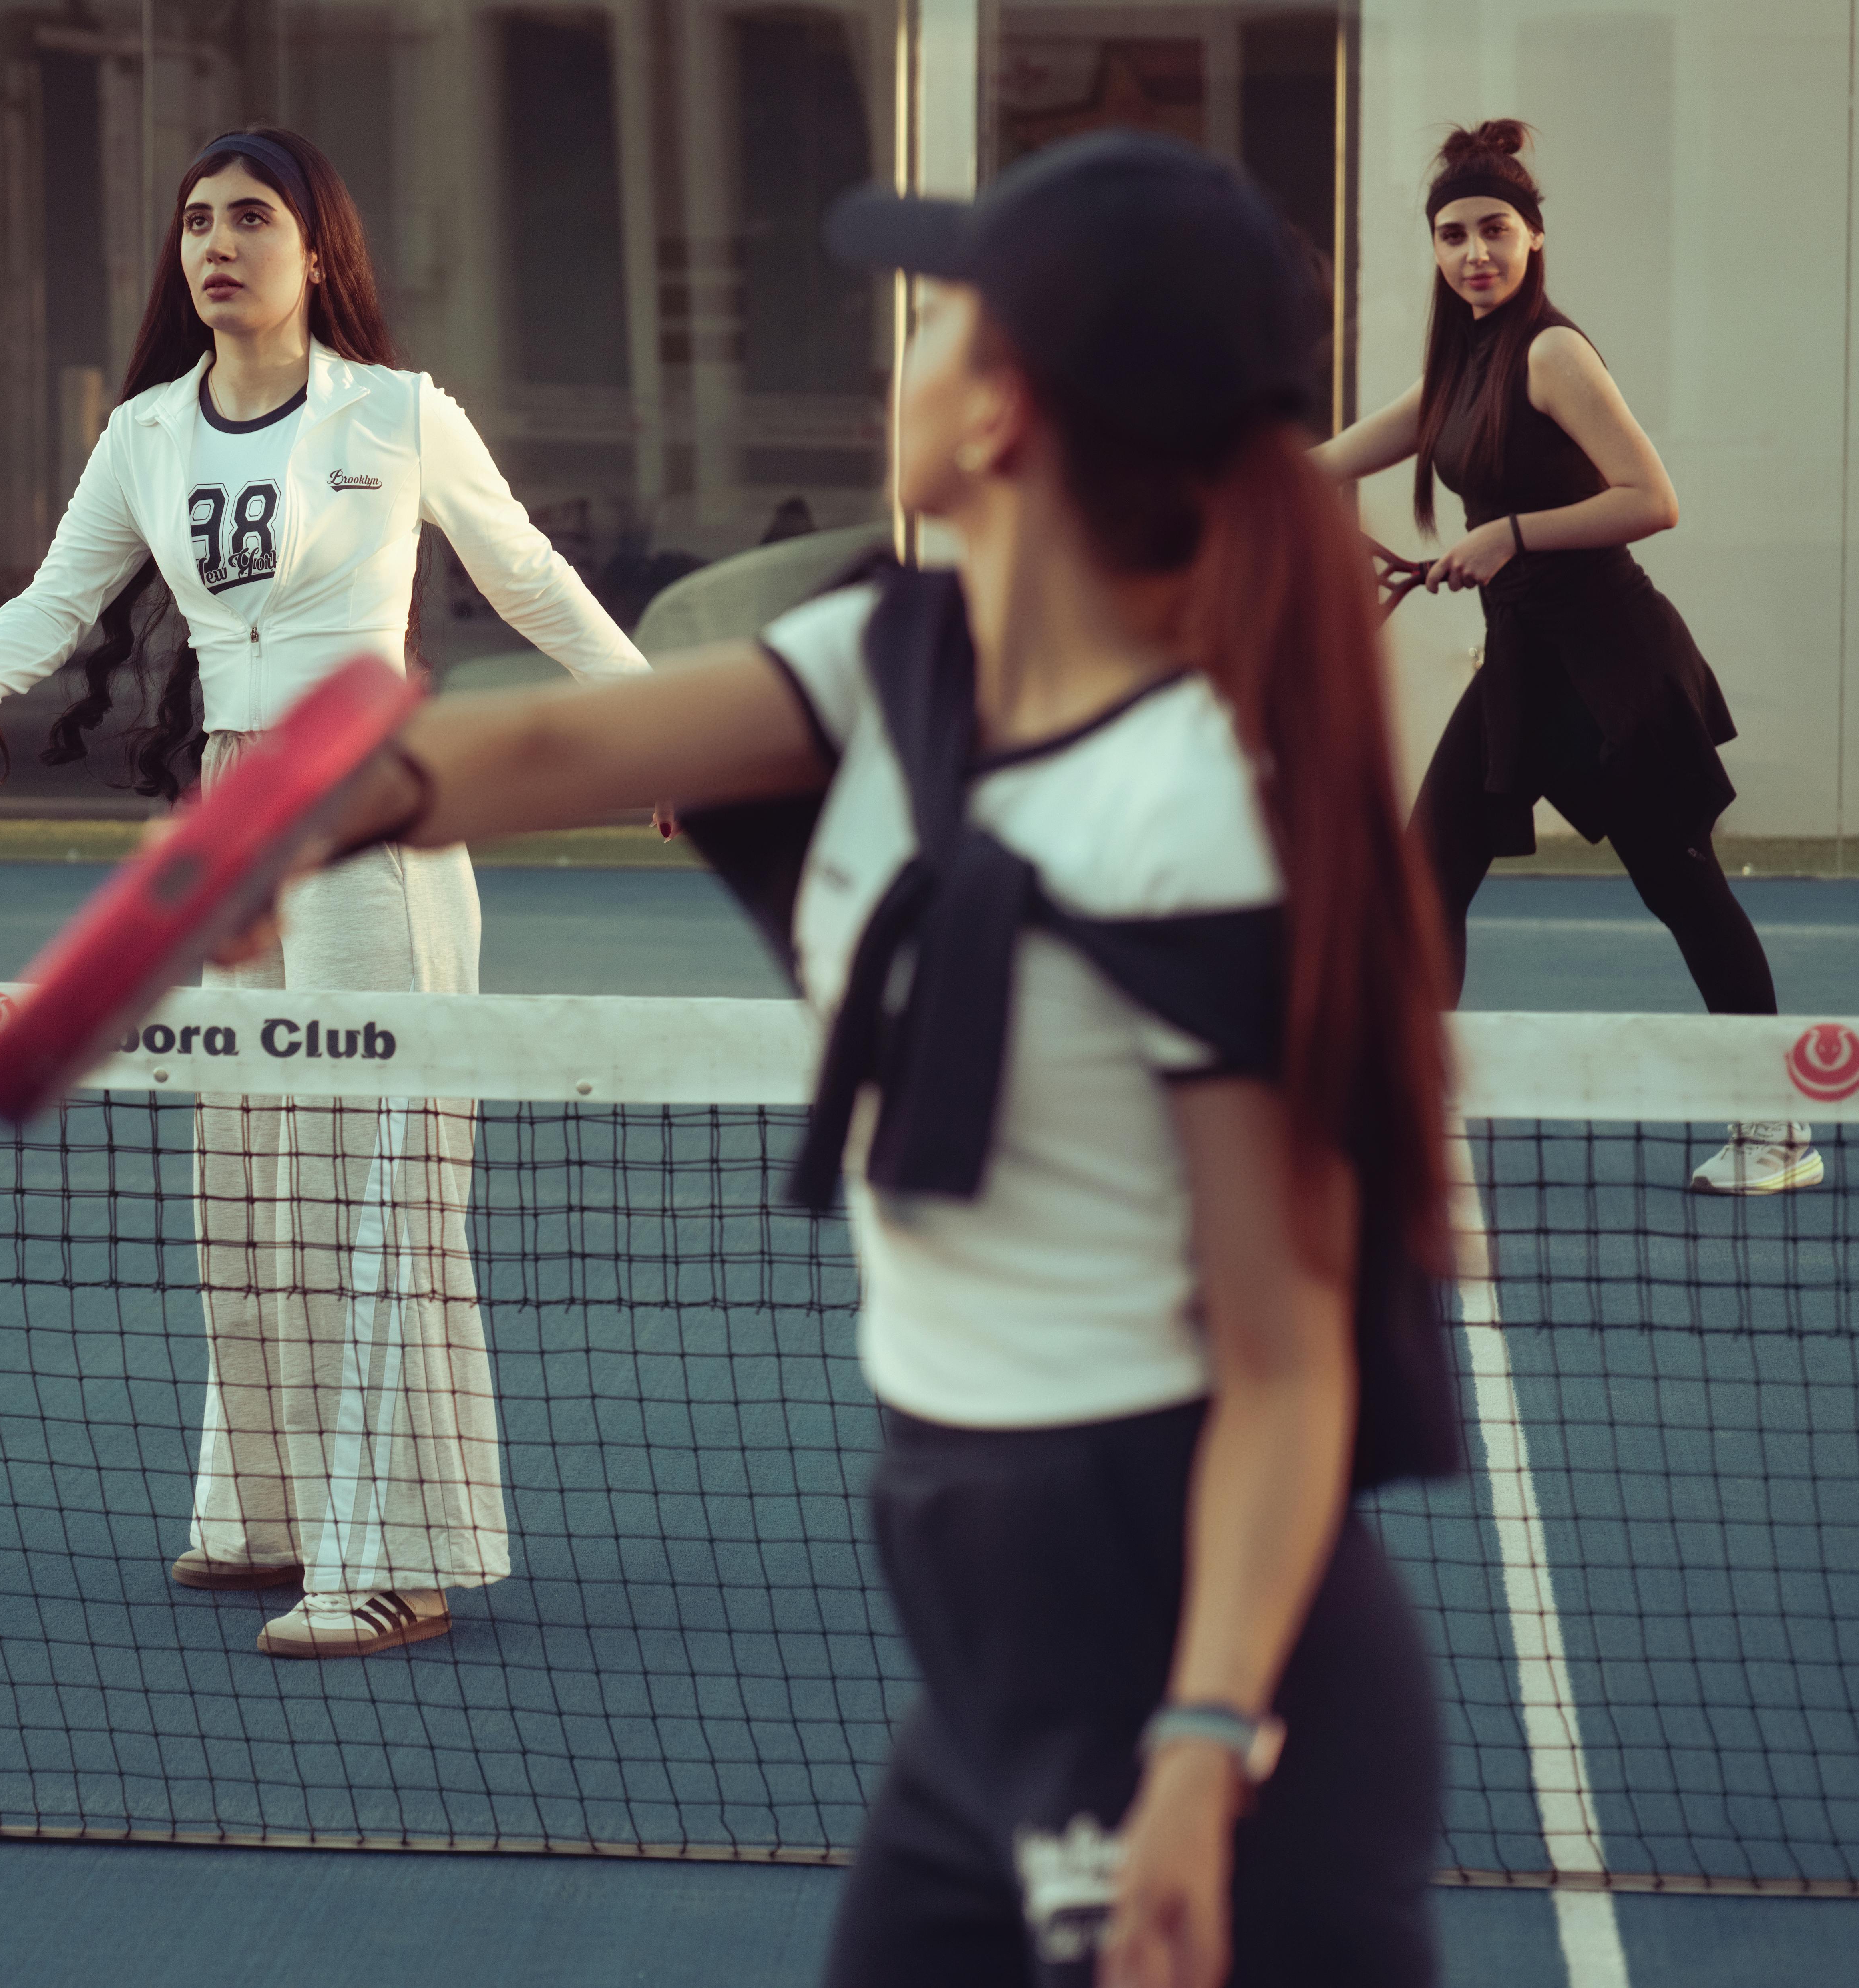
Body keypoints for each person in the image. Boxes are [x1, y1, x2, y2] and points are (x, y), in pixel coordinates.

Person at [225, 131, 1459, 1985]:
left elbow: (1284, 1373)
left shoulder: (1190, 822)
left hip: (1174, 1644)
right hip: (991, 1640)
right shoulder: (906, 654)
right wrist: (304, 813)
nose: (905, 353)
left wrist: (1201, 1751)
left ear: (1017, 414)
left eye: (945, 318)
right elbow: (563, 751)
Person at [0, 126, 651, 1659]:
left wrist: (647, 723)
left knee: (385, 1176)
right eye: (195, 222)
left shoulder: (402, 412)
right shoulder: (143, 438)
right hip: (226, 837)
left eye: (251, 218)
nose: (216, 245)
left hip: (375, 813)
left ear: (320, 255)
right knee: (247, 1167)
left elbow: (530, 578)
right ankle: (271, 1515)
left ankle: (399, 1557)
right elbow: (59, 601)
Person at [1312, 119, 1818, 1197]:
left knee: (1683, 891)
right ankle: (1411, 1108)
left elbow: (1654, 500)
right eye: (1453, 237)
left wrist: (1512, 535)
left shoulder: (1551, 352)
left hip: (1615, 671)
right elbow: (1329, 462)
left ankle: (1779, 1131)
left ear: (1536, 236)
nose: (1473, 254)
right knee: (1426, 876)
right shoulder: (1460, 366)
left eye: (1494, 230)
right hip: (1523, 673)